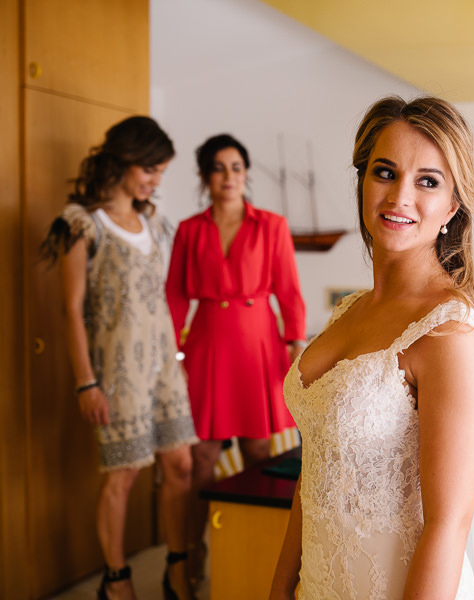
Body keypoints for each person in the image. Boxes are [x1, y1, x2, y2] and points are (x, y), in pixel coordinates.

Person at [269, 96, 474, 599]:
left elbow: (448, 526)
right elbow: (316, 474)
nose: (399, 197)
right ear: (363, 183)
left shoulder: (448, 333)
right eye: (384, 172)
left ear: (453, 206)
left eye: (427, 181)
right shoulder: (347, 311)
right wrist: (282, 589)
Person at [40, 116, 198, 600]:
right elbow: (71, 310)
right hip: (116, 372)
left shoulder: (150, 219)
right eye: (149, 169)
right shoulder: (81, 222)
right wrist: (86, 382)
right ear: (122, 160)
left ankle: (175, 565)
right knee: (124, 474)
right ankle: (116, 579)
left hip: (164, 367)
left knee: (180, 466)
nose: (154, 180)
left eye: (160, 172)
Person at [165, 134, 307, 581]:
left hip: (257, 347)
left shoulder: (271, 225)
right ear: (205, 176)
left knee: (258, 449)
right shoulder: (189, 229)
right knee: (201, 457)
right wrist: (173, 352)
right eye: (219, 168)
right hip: (206, 345)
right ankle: (193, 552)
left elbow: (289, 293)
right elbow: (173, 295)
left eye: (237, 168)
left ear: (246, 174)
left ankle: (255, 547)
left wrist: (295, 344)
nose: (229, 177)